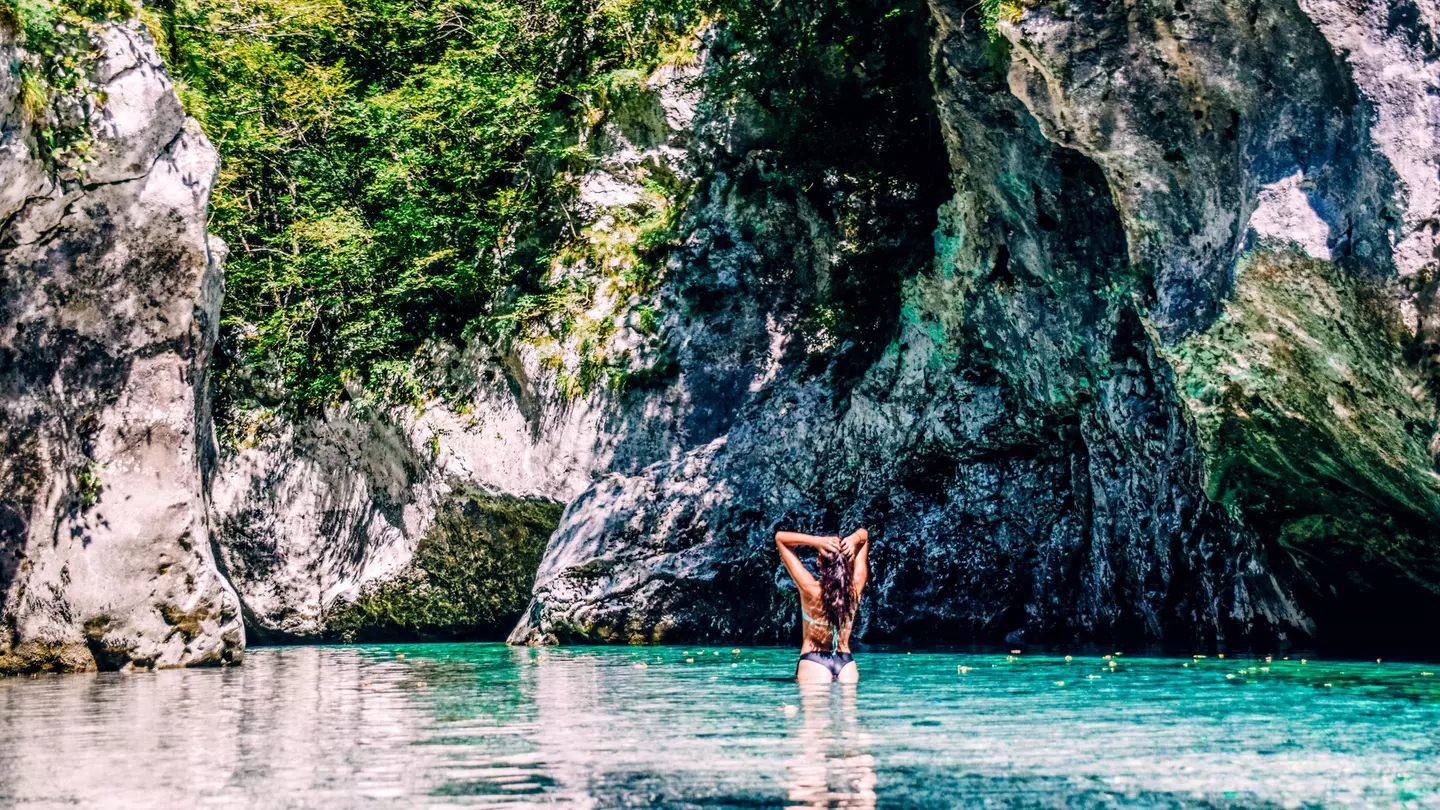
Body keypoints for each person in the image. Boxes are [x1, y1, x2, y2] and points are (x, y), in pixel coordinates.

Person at [775, 528, 870, 683]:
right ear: (849, 559)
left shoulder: (810, 589)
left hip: (814, 661)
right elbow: (864, 536)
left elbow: (780, 538)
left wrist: (816, 541)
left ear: (819, 560)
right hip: (846, 663)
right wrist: (853, 539)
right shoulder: (855, 589)